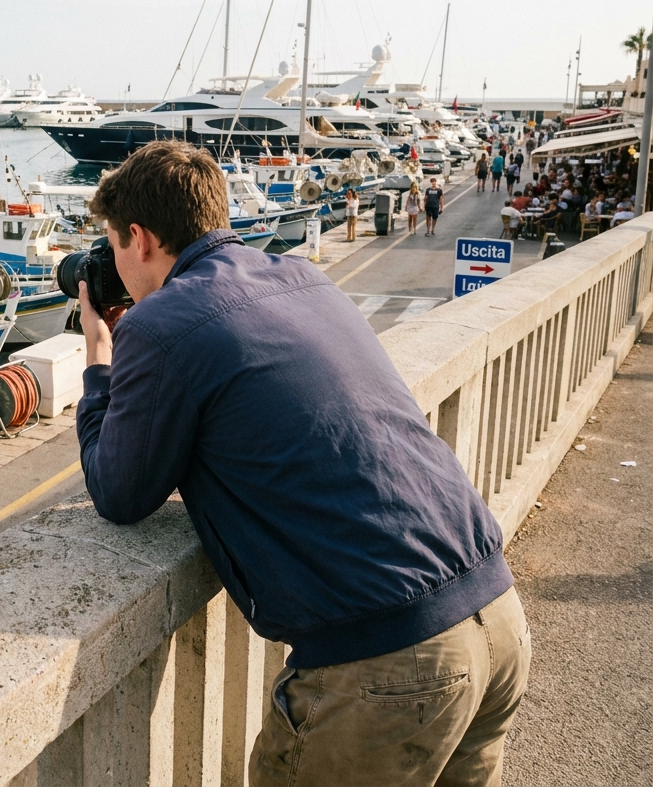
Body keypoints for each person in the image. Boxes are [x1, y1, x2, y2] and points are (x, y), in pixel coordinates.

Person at [75, 141, 529, 787]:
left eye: (114, 245)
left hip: (387, 665)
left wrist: (100, 356)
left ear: (140, 239)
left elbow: (118, 490)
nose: (114, 264)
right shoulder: (303, 277)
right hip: (495, 617)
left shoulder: (161, 326)